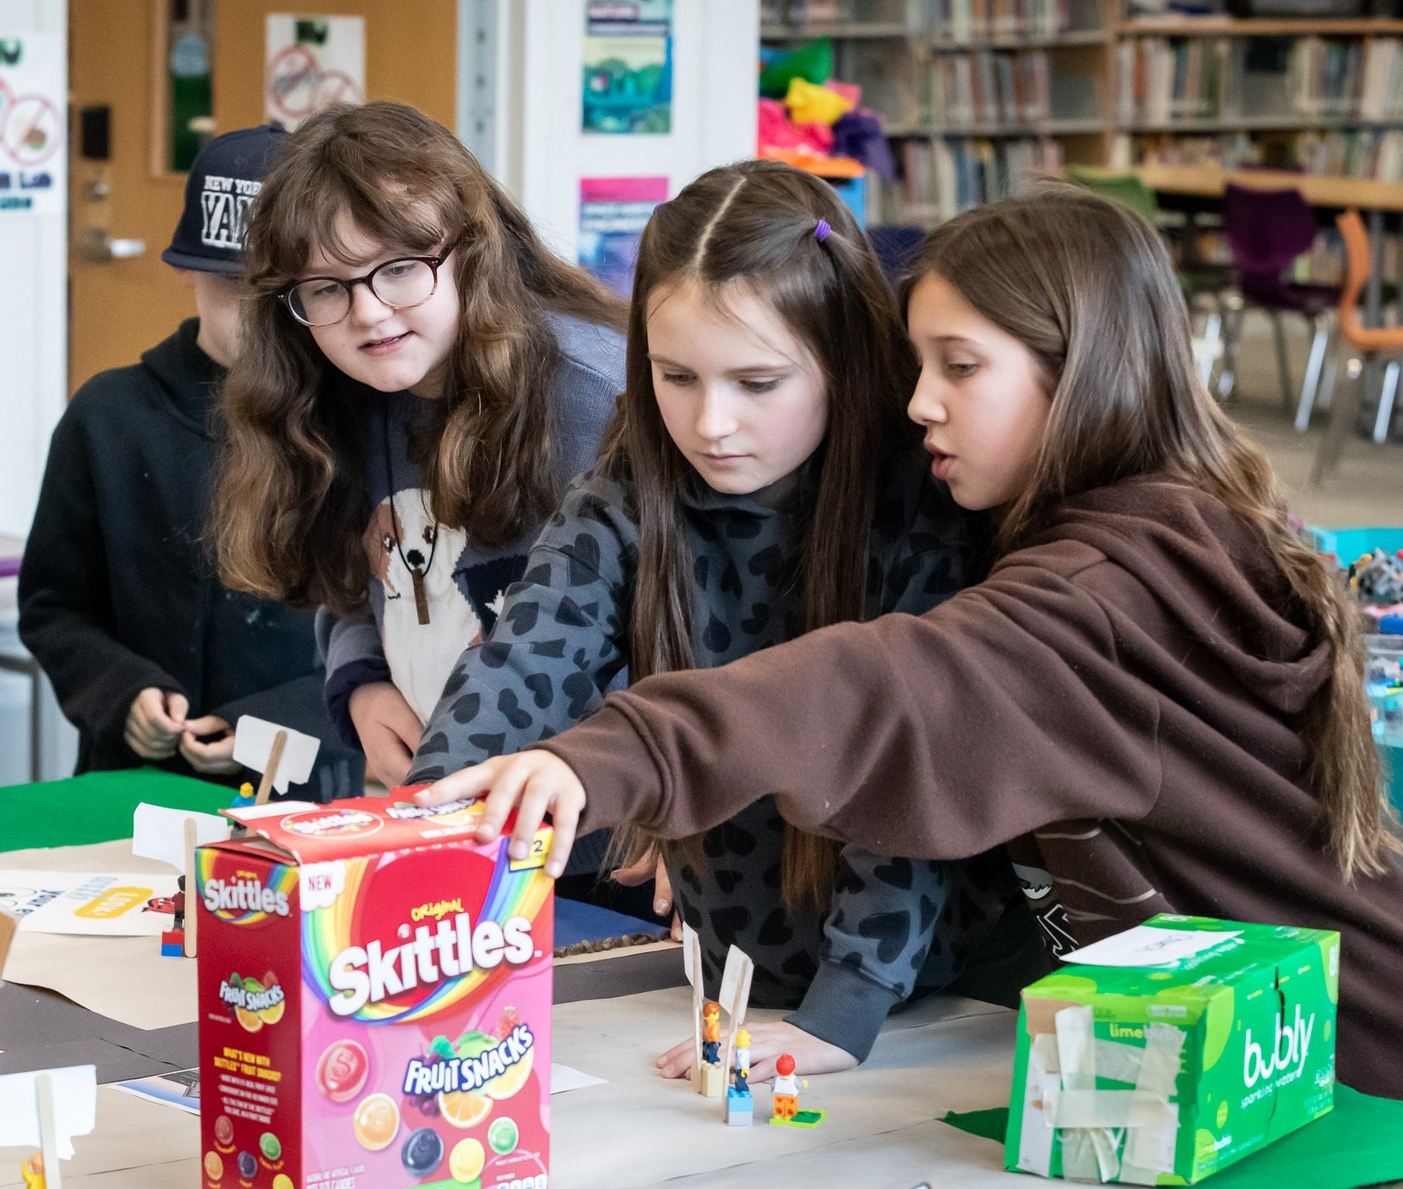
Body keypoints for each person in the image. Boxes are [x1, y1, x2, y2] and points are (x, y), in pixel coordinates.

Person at [417, 185, 1403, 1099]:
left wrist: (615, 755)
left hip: (1351, 1057)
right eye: (918, 363)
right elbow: (529, 652)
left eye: (958, 368)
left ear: (1084, 369)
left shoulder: (1099, 583)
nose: (917, 400)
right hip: (1271, 1037)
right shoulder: (1115, 519)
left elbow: (887, 689)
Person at [411, 164, 1020, 1077]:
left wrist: (844, 1007)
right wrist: (415, 843)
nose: (712, 422)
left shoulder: (922, 505)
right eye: (677, 376)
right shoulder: (632, 481)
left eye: (758, 382)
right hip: (736, 979)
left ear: (843, 361)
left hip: (927, 998)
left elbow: (915, 767)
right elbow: (524, 660)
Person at [211, 101, 626, 792]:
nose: (369, 311)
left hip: (607, 837)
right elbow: (358, 583)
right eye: (326, 287)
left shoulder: (593, 394)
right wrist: (363, 681)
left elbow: (689, 621)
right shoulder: (344, 385)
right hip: (444, 819)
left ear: (473, 250)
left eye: (401, 267)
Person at [19, 126, 358, 799]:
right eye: (237, 287)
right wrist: (123, 691)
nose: (262, 318)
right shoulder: (106, 416)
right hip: (126, 792)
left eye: (285, 292)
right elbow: (54, 606)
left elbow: (388, 636)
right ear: (185, 269)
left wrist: (272, 724)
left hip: (304, 800)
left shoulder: (356, 424)